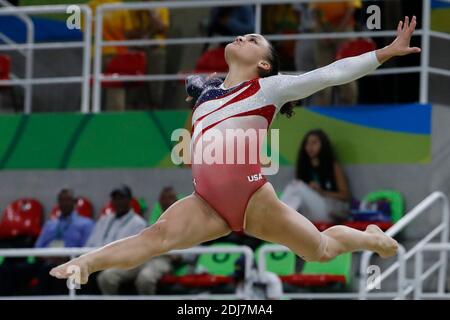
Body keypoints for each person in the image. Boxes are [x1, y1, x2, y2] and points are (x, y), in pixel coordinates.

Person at [49, 16, 421, 286]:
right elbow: (197, 135)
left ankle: (371, 236)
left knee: (320, 250)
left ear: (263, 64)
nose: (243, 36)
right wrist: (200, 92)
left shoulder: (268, 89)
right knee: (155, 237)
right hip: (206, 202)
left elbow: (329, 74)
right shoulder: (207, 96)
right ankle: (87, 263)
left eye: (253, 39)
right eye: (244, 34)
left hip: (252, 197)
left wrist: (384, 52)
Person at [86, 185, 147, 294]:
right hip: (98, 262)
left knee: (106, 276)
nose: (118, 202)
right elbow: (90, 244)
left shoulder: (139, 223)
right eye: (115, 199)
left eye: (121, 198)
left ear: (129, 200)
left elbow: (133, 254)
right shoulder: (103, 220)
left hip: (124, 264)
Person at [280, 129, 350, 223]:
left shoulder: (332, 166)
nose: (310, 147)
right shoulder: (303, 166)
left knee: (297, 186)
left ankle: (280, 217)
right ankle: (282, 217)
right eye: (307, 143)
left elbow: (345, 195)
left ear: (323, 145)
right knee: (295, 187)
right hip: (308, 213)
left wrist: (321, 191)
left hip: (329, 211)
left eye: (314, 143)